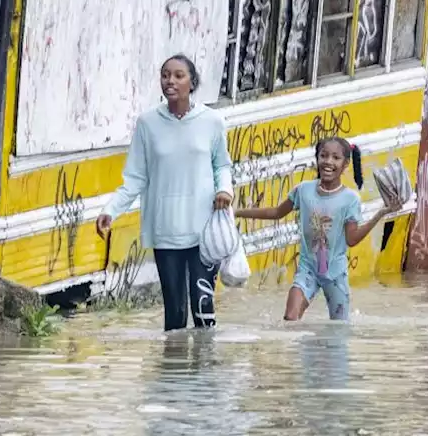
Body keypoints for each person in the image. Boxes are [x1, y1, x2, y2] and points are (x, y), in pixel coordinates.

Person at [95, 54, 234, 331]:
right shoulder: (148, 123)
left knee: (203, 308)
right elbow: (135, 177)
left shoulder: (212, 121)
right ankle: (174, 371)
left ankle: (205, 372)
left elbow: (222, 166)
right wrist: (110, 210)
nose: (170, 81)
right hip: (165, 229)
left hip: (204, 230)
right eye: (165, 75)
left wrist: (224, 190)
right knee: (174, 313)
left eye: (178, 75)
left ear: (192, 83)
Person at [237, 137, 402, 321]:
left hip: (335, 274)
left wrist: (381, 213)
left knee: (338, 331)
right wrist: (236, 212)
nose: (328, 162)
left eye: (335, 158)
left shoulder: (350, 199)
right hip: (308, 270)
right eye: (323, 156)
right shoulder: (303, 191)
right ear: (317, 159)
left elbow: (351, 239)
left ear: (346, 163)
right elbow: (276, 212)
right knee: (291, 318)